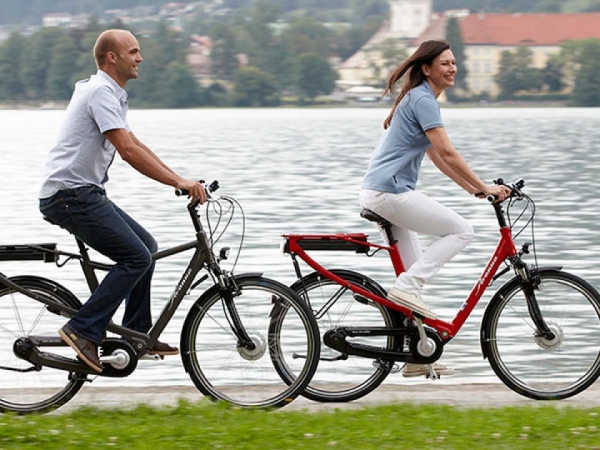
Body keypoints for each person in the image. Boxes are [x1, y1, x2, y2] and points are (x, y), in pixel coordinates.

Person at [38, 29, 206, 373]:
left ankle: (134, 335)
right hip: (71, 195)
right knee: (135, 257)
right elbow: (127, 152)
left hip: (82, 193)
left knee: (147, 247)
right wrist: (177, 181)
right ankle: (82, 329)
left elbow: (136, 144)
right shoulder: (100, 92)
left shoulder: (109, 93)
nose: (140, 58)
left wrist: (181, 179)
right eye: (133, 51)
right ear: (112, 57)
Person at [359, 39, 510, 378]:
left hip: (381, 193)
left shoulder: (417, 98)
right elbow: (448, 151)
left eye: (454, 62)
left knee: (414, 278)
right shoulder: (423, 100)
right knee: (461, 231)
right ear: (427, 68)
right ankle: (406, 291)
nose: (452, 68)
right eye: (444, 63)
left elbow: (437, 157)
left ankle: (417, 355)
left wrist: (474, 190)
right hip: (389, 193)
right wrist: (486, 186)